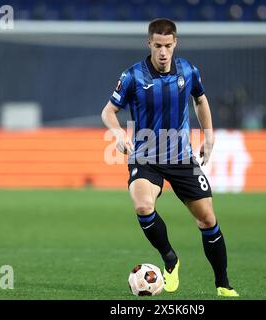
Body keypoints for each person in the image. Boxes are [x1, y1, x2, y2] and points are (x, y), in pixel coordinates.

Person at [101, 18, 238, 297]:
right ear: (148, 43)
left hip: (181, 157)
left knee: (208, 220)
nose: (163, 52)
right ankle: (170, 258)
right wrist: (117, 134)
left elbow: (200, 100)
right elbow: (108, 112)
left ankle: (223, 283)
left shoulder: (188, 71)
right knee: (142, 206)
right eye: (157, 45)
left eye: (167, 45)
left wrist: (209, 136)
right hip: (145, 156)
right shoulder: (132, 76)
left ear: (175, 43)